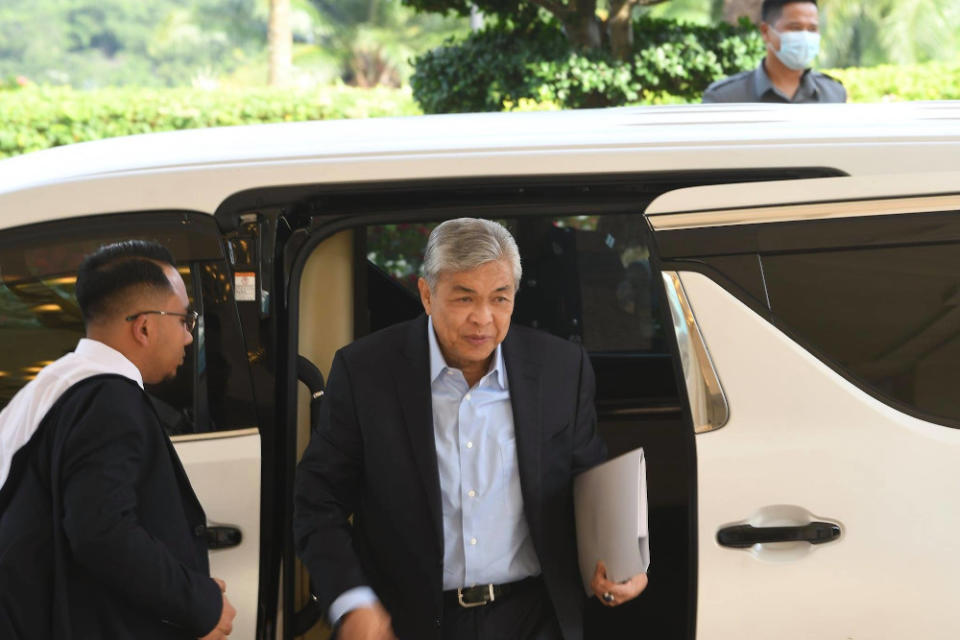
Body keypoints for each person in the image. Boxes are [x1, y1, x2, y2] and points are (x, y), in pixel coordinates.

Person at [294, 218, 647, 640]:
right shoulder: (365, 372)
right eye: (464, 298)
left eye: (500, 299)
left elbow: (590, 482)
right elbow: (317, 500)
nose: (483, 319)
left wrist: (624, 560)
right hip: (408, 621)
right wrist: (352, 601)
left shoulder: (560, 369)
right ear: (427, 294)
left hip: (533, 617)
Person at [0, 240, 236, 639]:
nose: (188, 338)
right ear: (145, 326)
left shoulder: (51, 385)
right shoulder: (109, 400)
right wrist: (199, 604)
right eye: (184, 320)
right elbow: (102, 533)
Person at [702, 0, 846, 104]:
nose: (805, 36)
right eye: (795, 28)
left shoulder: (833, 94)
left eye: (812, 29)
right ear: (766, 32)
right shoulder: (724, 98)